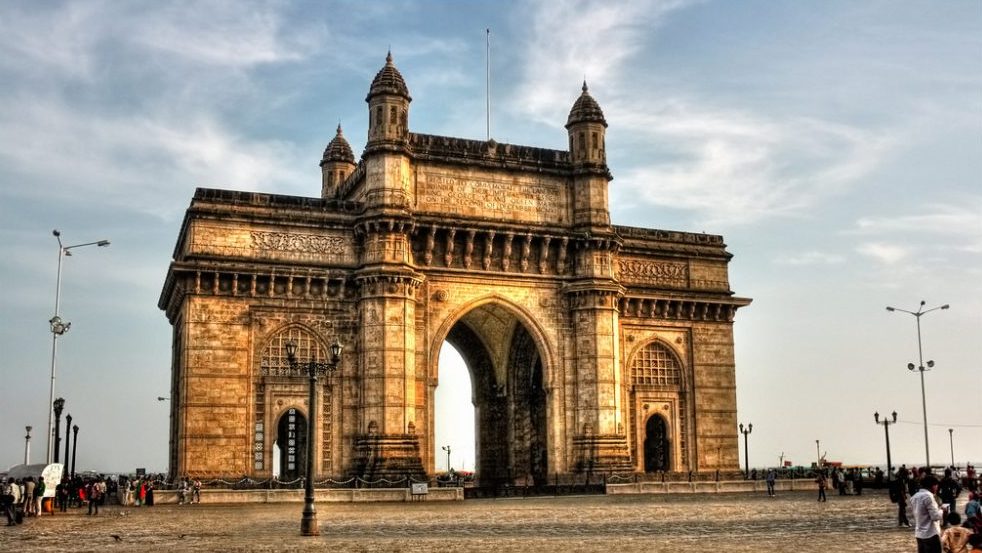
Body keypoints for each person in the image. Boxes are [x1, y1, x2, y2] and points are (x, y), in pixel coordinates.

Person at [911, 474, 946, 553]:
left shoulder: (914, 497)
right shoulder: (928, 496)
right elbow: (935, 516)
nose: (937, 488)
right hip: (931, 533)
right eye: (936, 485)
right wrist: (942, 510)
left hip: (919, 533)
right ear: (932, 486)